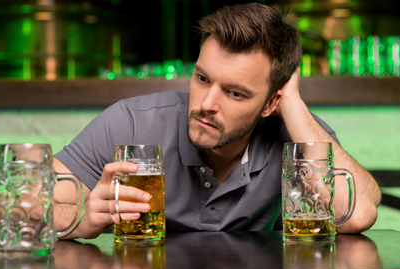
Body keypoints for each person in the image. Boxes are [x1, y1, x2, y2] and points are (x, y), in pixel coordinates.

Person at [52, 3, 381, 239]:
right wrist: (81, 217)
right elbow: (27, 201)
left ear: (270, 103)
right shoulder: (133, 123)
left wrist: (292, 103)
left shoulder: (298, 136)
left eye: (235, 93)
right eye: (203, 78)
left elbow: (359, 214)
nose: (206, 105)